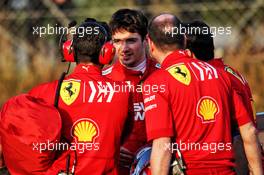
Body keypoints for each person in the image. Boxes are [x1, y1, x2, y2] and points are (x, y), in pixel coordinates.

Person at [143, 13, 262, 175]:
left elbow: (162, 145)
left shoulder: (157, 81)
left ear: (150, 43)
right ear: (184, 39)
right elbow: (249, 131)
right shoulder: (221, 75)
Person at [29, 19, 130, 175]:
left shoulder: (41, 93)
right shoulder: (123, 91)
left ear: (69, 51)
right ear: (107, 52)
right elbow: (123, 134)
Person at [185, 20, 258, 175]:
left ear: (187, 52)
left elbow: (245, 132)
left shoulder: (207, 80)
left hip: (236, 164)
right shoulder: (232, 72)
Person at [102, 8, 158, 174]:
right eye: (117, 41)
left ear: (146, 40)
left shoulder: (165, 75)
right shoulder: (102, 80)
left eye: (131, 40)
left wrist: (152, 149)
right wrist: (108, 149)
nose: (123, 48)